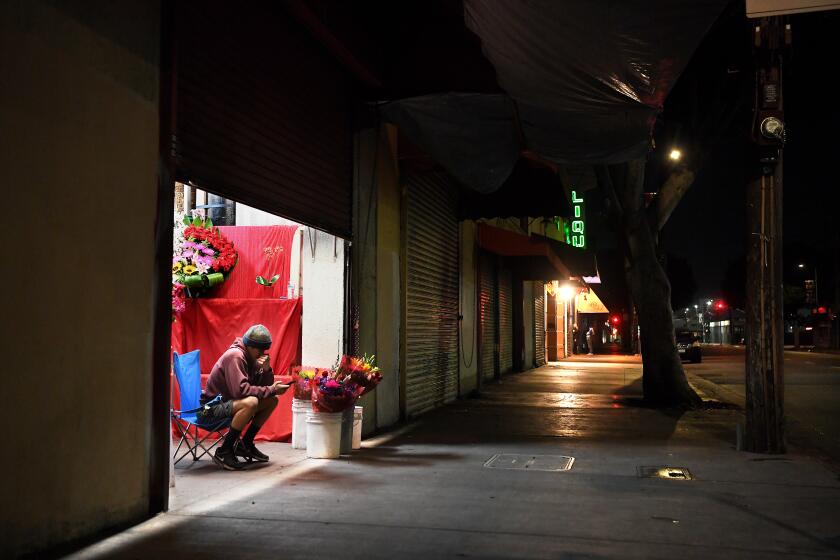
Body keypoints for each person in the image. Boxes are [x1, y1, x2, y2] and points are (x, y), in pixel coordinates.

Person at [199, 324, 290, 470]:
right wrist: (272, 389)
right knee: (251, 402)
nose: (262, 353)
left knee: (272, 400)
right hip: (208, 410)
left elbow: (261, 386)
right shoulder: (235, 356)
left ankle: (245, 443)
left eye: (265, 350)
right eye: (259, 349)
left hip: (227, 403)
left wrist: (266, 370)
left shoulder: (249, 356)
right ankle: (224, 451)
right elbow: (241, 392)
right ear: (249, 345)